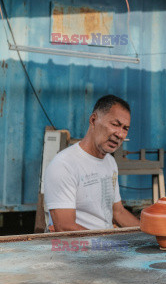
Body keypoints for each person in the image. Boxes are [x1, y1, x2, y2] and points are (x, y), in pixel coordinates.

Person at [44, 95, 140, 231]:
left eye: (125, 128)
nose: (120, 134)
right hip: (76, 249)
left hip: (102, 244)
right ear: (93, 120)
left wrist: (149, 234)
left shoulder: (110, 162)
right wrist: (107, 246)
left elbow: (119, 212)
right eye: (115, 124)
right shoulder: (64, 165)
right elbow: (64, 227)